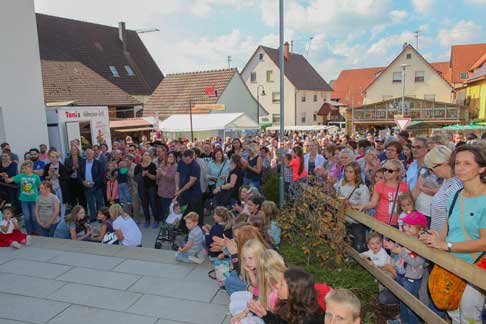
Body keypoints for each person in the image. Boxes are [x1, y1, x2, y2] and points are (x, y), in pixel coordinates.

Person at [421, 144, 486, 324]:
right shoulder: (456, 194)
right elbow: (448, 229)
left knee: (469, 316)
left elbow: (484, 242)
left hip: (476, 265)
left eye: (467, 163)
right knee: (454, 313)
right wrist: (435, 238)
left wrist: (447, 246)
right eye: (457, 163)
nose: (460, 167)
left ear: (481, 168)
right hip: (452, 263)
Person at [385, 211, 427, 324]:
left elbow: (416, 262)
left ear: (420, 230)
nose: (406, 228)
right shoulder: (404, 238)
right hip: (401, 274)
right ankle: (403, 321)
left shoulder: (423, 244)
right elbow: (398, 253)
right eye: (405, 225)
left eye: (410, 226)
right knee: (402, 300)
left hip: (412, 279)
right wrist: (392, 247)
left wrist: (401, 252)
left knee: (410, 305)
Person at [247, 268, 324, 324]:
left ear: (293, 290)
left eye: (282, 284)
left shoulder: (310, 319)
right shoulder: (289, 304)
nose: (277, 286)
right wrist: (265, 314)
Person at [356, 159, 409, 226]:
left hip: (398, 222)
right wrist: (362, 206)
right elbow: (373, 203)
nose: (386, 172)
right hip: (380, 220)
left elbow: (408, 204)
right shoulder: (379, 185)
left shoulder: (404, 186)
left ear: (398, 173)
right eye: (384, 169)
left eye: (390, 171)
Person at [423, 145, 463, 233]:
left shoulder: (458, 186)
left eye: (432, 168)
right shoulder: (447, 180)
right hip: (438, 238)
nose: (431, 172)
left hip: (447, 241)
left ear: (443, 163)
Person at [335, 161, 370, 252]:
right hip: (344, 218)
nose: (348, 174)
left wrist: (349, 204)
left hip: (357, 222)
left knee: (358, 245)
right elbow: (337, 196)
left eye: (351, 172)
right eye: (346, 171)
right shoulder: (342, 184)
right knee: (346, 241)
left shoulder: (362, 188)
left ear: (356, 173)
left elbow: (365, 206)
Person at [1, 161, 41, 234]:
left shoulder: (36, 177)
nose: (24, 170)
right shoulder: (21, 176)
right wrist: (5, 177)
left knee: (34, 216)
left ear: (31, 168)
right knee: (27, 217)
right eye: (23, 168)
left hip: (34, 199)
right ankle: (29, 231)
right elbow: (9, 180)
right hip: (24, 200)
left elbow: (39, 187)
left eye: (26, 168)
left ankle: (36, 230)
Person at [175, 150, 203, 226]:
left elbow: (191, 182)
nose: (185, 162)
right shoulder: (181, 162)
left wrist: (180, 191)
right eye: (184, 159)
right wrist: (177, 186)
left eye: (187, 160)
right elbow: (177, 174)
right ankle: (184, 227)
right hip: (183, 191)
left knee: (193, 211)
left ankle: (196, 228)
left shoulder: (195, 166)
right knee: (183, 209)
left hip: (194, 192)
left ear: (192, 158)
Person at [79, 148, 105, 222]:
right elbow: (79, 174)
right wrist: (82, 182)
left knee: (99, 202)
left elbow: (101, 174)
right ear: (85, 155)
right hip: (86, 186)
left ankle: (100, 217)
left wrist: (95, 182)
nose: (89, 155)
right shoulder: (82, 163)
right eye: (87, 153)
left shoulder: (98, 163)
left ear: (93, 154)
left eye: (90, 153)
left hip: (96, 186)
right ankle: (93, 217)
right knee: (90, 202)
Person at [135, 152, 158, 228]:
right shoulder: (138, 166)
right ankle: (147, 220)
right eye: (145, 155)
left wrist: (147, 174)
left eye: (148, 155)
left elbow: (155, 178)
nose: (147, 156)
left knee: (153, 204)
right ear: (142, 156)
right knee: (145, 205)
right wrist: (142, 174)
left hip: (151, 187)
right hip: (141, 188)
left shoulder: (152, 165)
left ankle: (156, 220)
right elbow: (136, 179)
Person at [156, 151, 178, 222]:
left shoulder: (175, 166)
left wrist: (162, 172)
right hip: (162, 191)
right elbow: (158, 178)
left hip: (171, 192)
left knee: (170, 209)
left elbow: (172, 178)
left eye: (172, 157)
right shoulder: (162, 165)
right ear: (166, 158)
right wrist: (158, 173)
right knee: (163, 209)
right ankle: (165, 222)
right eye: (169, 156)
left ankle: (169, 223)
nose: (171, 158)